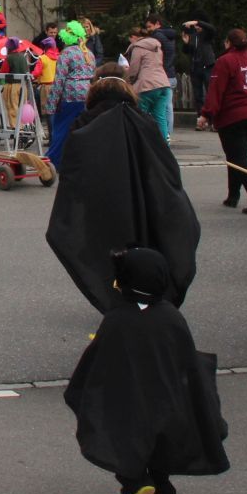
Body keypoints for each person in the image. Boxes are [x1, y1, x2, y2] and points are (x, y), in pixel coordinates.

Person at [64, 246, 229, 494]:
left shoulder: (119, 318)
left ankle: (135, 485)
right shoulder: (171, 316)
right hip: (168, 400)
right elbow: (184, 360)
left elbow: (97, 366)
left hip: (130, 402)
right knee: (160, 447)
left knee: (118, 438)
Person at [48, 71, 199, 309]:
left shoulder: (86, 122)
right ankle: (148, 294)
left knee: (107, 252)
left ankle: (119, 298)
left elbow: (73, 166)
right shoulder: (144, 120)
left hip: (104, 203)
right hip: (145, 199)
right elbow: (165, 165)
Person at [198, 28, 247, 213]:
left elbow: (216, 90)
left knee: (238, 158)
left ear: (229, 43)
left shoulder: (225, 61)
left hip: (232, 116)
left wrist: (206, 114)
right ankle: (233, 195)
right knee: (236, 156)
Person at [46, 21, 94, 167]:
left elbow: (59, 80)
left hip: (70, 95)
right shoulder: (89, 54)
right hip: (87, 94)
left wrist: (51, 104)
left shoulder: (66, 53)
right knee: (82, 129)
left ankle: (53, 161)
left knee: (61, 129)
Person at [125, 26, 172, 141]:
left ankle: (142, 142)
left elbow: (134, 69)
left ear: (133, 37)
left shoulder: (138, 47)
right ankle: (163, 144)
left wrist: (127, 81)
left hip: (147, 85)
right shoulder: (156, 46)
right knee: (160, 116)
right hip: (163, 84)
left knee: (140, 116)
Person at [145, 15, 178, 133]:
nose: (148, 29)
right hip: (171, 73)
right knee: (168, 106)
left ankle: (164, 133)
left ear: (157, 24)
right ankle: (168, 132)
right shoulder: (170, 36)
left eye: (150, 26)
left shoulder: (157, 37)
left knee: (161, 108)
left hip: (161, 74)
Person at [182, 19, 218, 115]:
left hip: (207, 66)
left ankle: (212, 116)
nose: (196, 27)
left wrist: (197, 22)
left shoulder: (207, 35)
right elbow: (186, 51)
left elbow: (212, 29)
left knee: (210, 91)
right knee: (198, 95)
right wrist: (186, 43)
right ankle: (201, 116)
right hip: (195, 67)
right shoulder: (193, 36)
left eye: (198, 25)